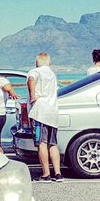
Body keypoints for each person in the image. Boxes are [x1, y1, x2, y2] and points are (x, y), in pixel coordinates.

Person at [27, 52, 62, 182]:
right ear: (49, 62)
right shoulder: (52, 74)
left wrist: (32, 96)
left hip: (40, 113)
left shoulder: (35, 71)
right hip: (52, 112)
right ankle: (58, 174)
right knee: (52, 144)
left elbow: (31, 79)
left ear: (37, 63)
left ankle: (46, 174)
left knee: (41, 143)